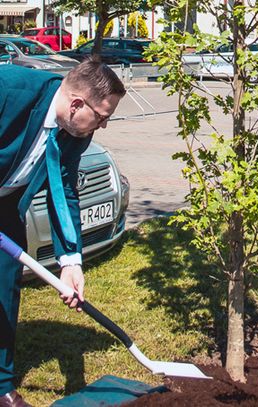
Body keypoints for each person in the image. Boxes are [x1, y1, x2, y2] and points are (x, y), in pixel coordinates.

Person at [0, 59, 125, 407]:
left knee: (4, 288)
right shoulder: (7, 89)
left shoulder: (74, 131)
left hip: (5, 206)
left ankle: (1, 386)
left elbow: (63, 189)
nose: (103, 125)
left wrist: (70, 262)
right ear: (75, 104)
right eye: (101, 116)